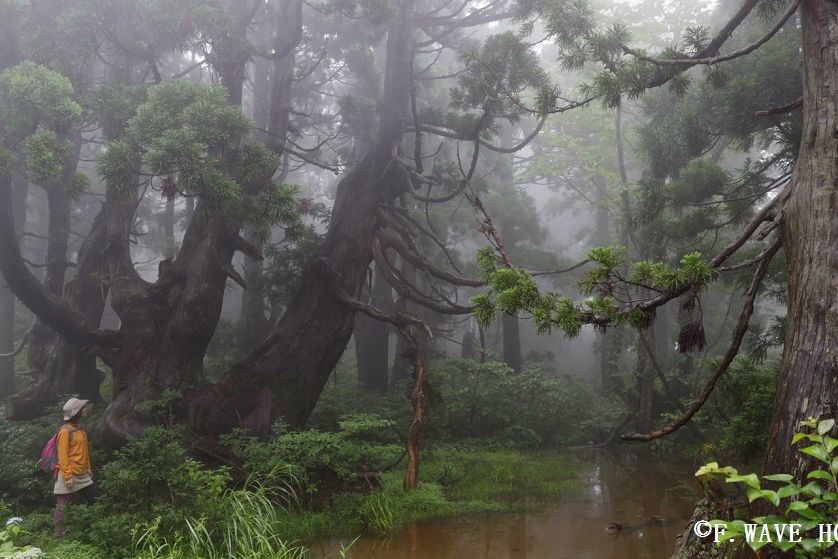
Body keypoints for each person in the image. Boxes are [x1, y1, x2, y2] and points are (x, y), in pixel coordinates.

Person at [53, 397, 98, 536]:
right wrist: (67, 477)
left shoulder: (80, 429)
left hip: (82, 472)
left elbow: (83, 450)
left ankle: (91, 527)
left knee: (94, 498)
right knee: (63, 505)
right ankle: (58, 533)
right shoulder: (65, 432)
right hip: (69, 472)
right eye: (82, 408)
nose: (86, 409)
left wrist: (87, 467)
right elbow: (63, 456)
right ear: (76, 412)